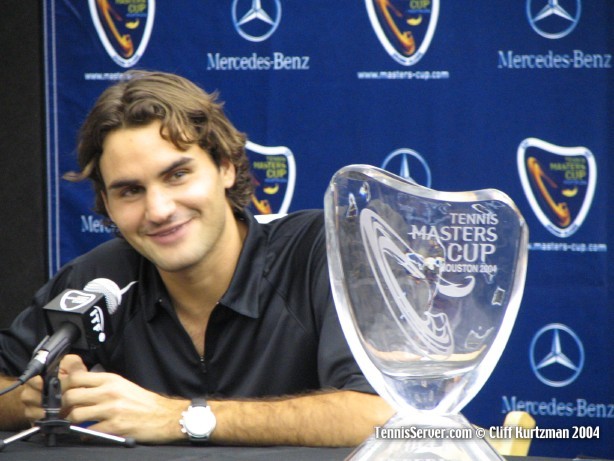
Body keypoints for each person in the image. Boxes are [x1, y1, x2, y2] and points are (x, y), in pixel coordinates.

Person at [0, 70, 393, 446]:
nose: (158, 210)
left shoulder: (321, 252)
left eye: (177, 175)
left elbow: (391, 418)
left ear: (225, 167)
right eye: (130, 191)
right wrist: (35, 398)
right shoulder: (101, 277)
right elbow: (8, 382)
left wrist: (181, 417)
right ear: (107, 203)